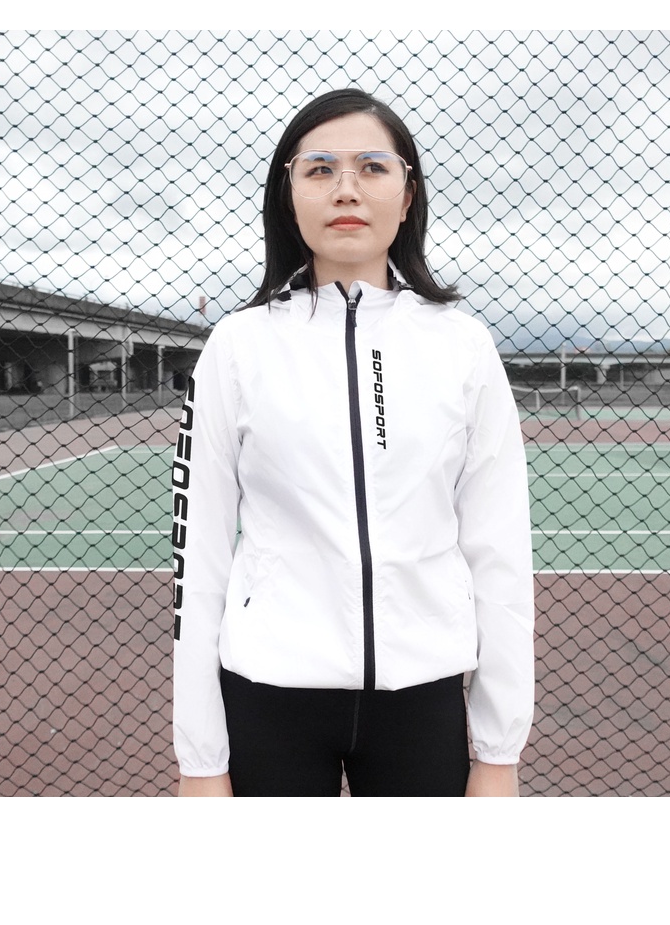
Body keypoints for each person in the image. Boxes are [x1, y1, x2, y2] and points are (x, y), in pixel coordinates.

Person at [172, 88, 534, 797]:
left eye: (372, 167)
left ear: (407, 194)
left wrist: (499, 752)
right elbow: (199, 554)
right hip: (268, 695)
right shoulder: (237, 346)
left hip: (422, 697)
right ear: (288, 195)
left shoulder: (462, 345)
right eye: (319, 169)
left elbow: (500, 550)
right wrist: (201, 761)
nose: (346, 189)